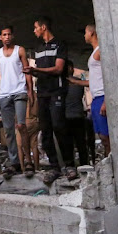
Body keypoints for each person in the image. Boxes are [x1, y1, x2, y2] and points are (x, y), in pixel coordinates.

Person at [23, 15, 77, 185]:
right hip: (42, 94)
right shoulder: (38, 48)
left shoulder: (60, 44)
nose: (34, 31)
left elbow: (58, 69)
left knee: (59, 127)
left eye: (35, 27)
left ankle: (69, 165)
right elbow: (42, 70)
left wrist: (38, 70)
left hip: (56, 92)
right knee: (45, 130)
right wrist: (33, 72)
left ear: (43, 27)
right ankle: (54, 167)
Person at [0, 25, 34, 179]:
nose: (7, 37)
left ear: (12, 36)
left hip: (19, 92)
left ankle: (28, 162)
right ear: (0, 37)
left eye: (9, 34)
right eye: (4, 35)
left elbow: (27, 69)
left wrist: (30, 90)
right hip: (4, 95)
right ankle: (14, 163)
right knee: (8, 130)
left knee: (21, 126)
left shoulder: (19, 50)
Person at [69, 24, 110, 158]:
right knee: (103, 137)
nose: (84, 35)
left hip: (102, 97)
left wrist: (106, 101)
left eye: (85, 32)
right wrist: (75, 81)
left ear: (92, 33)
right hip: (96, 98)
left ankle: (113, 165)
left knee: (106, 137)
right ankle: (108, 164)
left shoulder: (99, 51)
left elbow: (109, 75)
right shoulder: (94, 53)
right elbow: (94, 81)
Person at [65, 60, 91, 166]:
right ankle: (84, 165)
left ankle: (71, 165)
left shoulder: (63, 84)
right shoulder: (79, 82)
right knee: (80, 143)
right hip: (75, 115)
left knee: (71, 144)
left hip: (72, 116)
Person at [16, 93, 41, 178]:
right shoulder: (35, 95)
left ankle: (23, 168)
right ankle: (37, 167)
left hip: (24, 121)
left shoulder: (21, 95)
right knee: (34, 145)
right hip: (34, 121)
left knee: (20, 145)